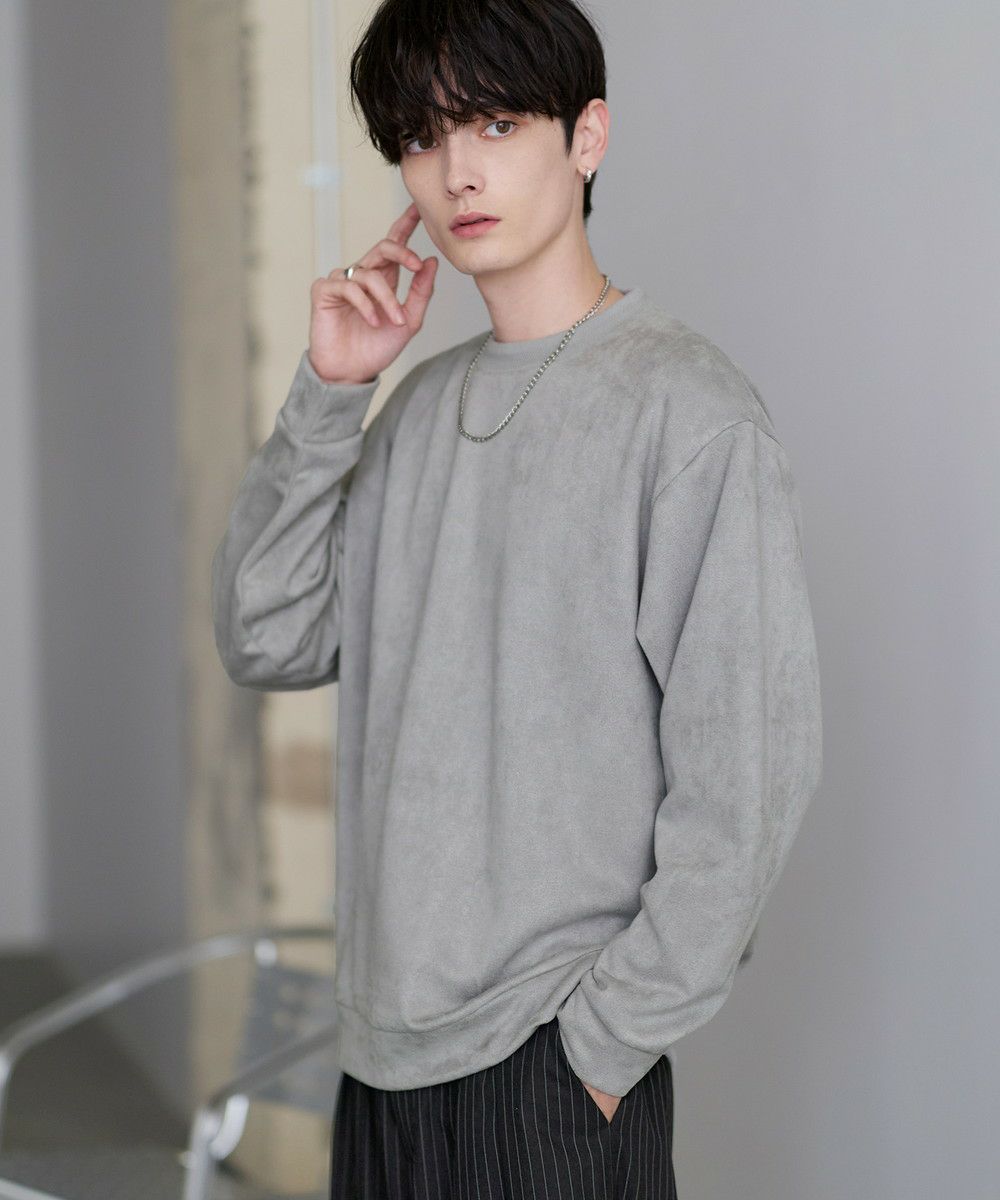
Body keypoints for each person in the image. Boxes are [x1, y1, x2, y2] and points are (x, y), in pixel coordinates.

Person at [210, 0, 823, 1195]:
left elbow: (748, 777)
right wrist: (331, 394)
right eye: (422, 135)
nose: (456, 170)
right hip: (382, 1059)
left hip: (549, 1065)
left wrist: (601, 1047)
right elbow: (265, 633)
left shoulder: (686, 413)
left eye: (494, 123)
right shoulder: (411, 411)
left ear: (586, 137)